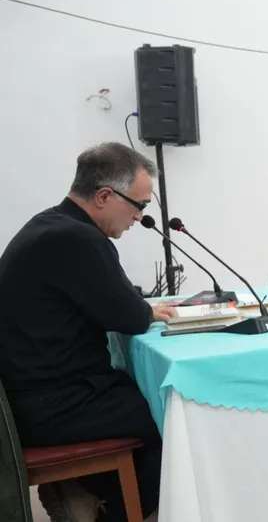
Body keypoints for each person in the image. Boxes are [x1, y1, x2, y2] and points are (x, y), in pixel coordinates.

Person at [0, 143, 179, 522]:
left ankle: (82, 493)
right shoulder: (78, 239)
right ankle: (108, 510)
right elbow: (129, 315)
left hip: (29, 397)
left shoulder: (49, 224)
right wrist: (146, 311)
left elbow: (115, 300)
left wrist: (141, 308)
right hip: (52, 405)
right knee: (171, 415)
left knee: (143, 398)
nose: (139, 217)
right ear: (104, 196)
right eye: (139, 205)